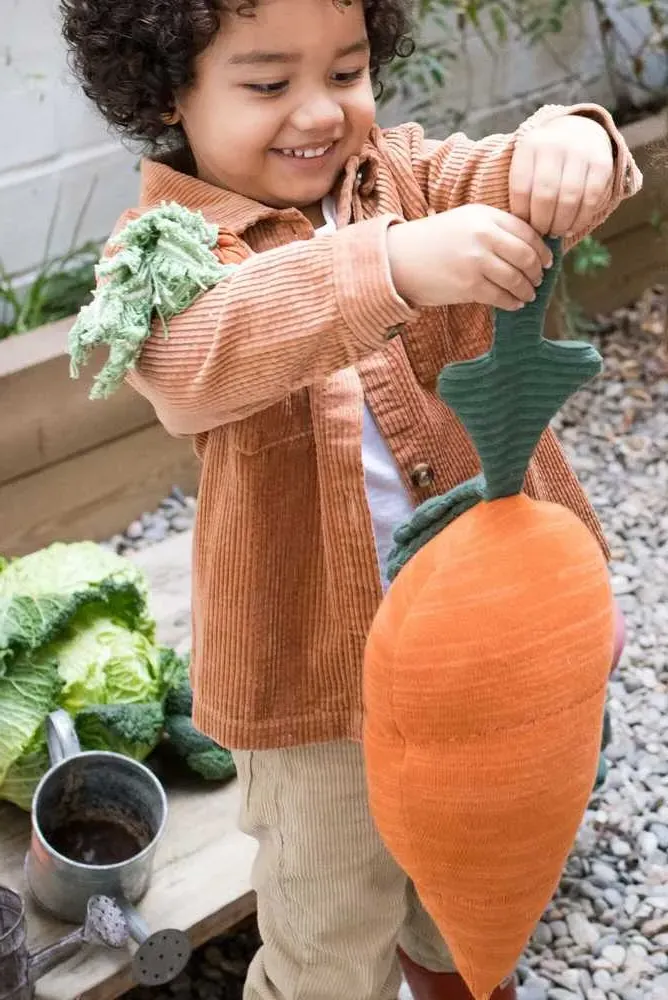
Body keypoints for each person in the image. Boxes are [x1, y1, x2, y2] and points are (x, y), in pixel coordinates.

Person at [60, 0, 641, 996]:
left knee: (472, 856)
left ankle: (457, 959)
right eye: (267, 83)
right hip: (315, 683)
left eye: (346, 70)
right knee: (330, 918)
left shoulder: (405, 175)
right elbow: (202, 352)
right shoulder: (159, 255)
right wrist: (392, 267)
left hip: (477, 638)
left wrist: (570, 146)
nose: (320, 111)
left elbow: (513, 170)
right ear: (166, 90)